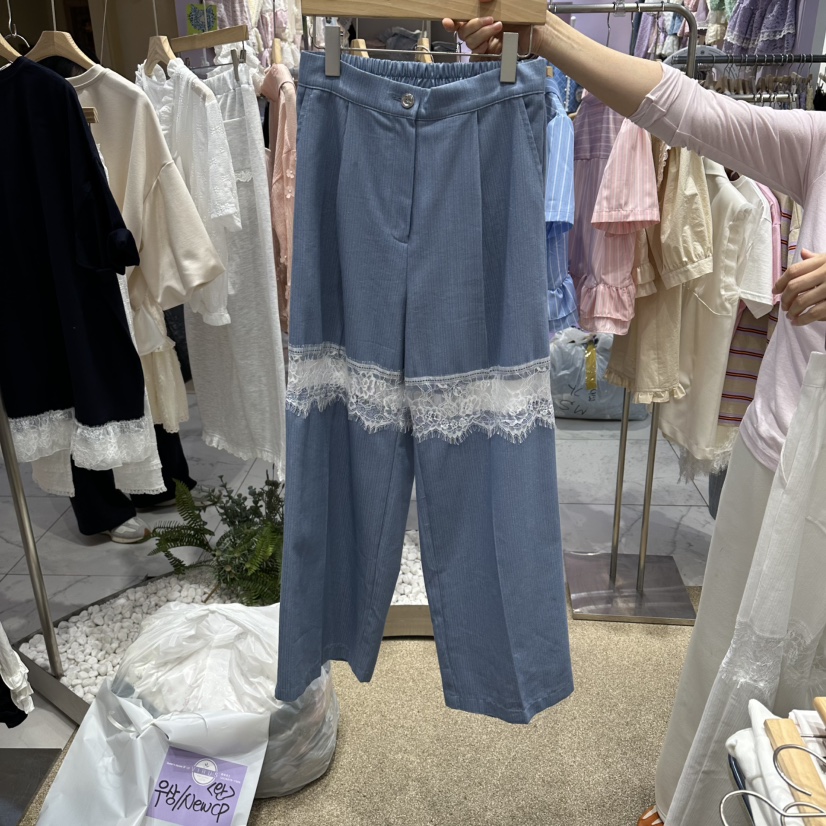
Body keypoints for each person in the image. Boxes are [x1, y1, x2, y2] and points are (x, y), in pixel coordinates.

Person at [445, 7, 826, 825]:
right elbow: (683, 106)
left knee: (813, 666)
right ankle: (697, 796)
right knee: (728, 641)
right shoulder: (821, 144)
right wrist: (544, 31)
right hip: (773, 445)